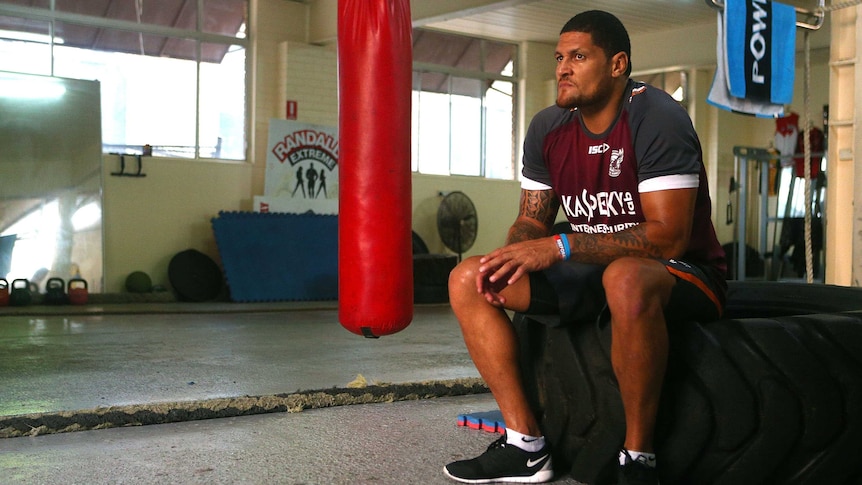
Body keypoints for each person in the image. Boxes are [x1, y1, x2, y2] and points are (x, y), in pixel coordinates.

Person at [443, 10, 727, 485]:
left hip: (682, 272)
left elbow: (668, 236)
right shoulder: (548, 128)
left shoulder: (657, 117)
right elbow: (532, 220)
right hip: (593, 267)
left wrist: (561, 246)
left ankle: (638, 459)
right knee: (469, 278)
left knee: (626, 275)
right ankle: (526, 444)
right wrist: (512, 255)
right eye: (559, 57)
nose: (562, 68)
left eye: (578, 56)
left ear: (617, 65)